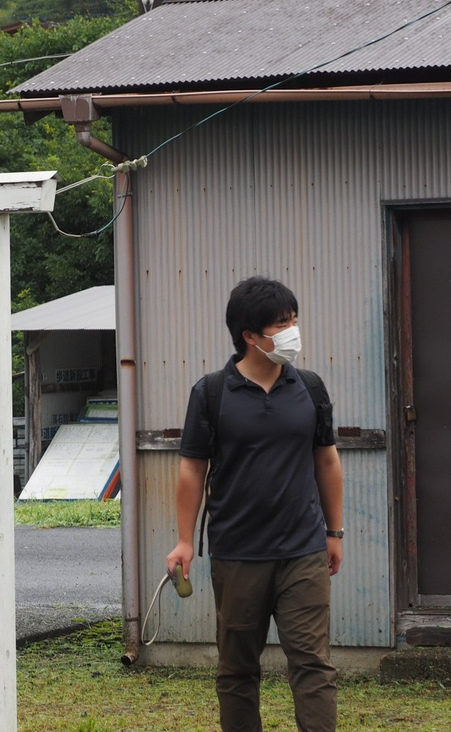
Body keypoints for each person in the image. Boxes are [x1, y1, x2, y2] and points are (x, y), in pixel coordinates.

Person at [166, 276, 344, 732]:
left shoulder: (310, 387)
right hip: (237, 553)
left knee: (313, 666)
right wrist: (185, 540)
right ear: (249, 335)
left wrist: (334, 531)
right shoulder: (211, 393)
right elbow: (191, 469)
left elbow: (326, 460)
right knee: (238, 669)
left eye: (293, 320)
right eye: (280, 324)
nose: (292, 332)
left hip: (302, 551)